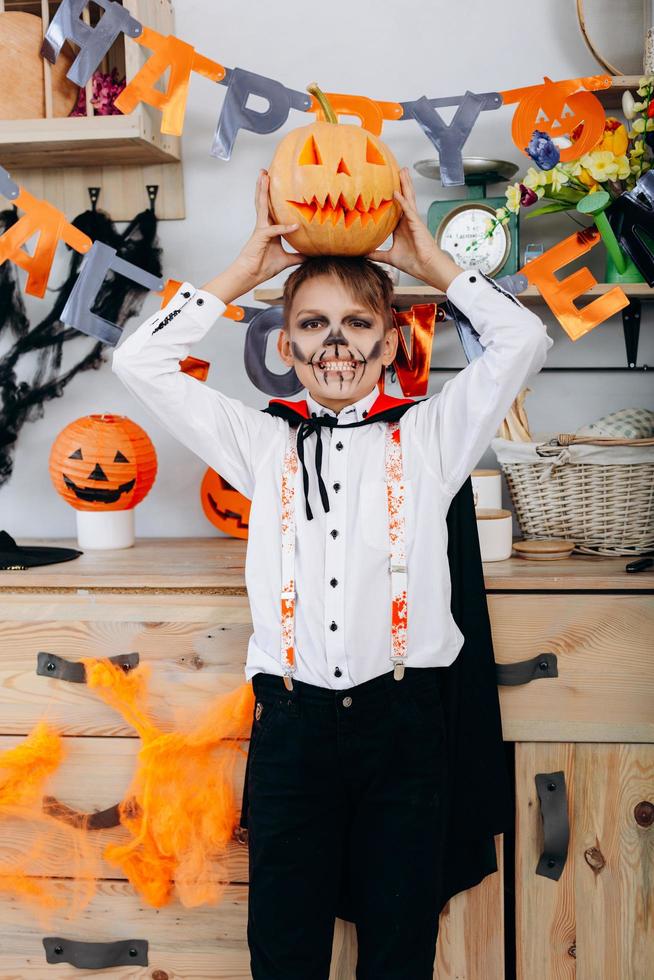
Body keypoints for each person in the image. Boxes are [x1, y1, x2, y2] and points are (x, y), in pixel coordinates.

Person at [112, 165, 553, 979]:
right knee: (284, 949)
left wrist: (429, 263)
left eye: (357, 324)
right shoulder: (261, 444)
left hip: (407, 726)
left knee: (397, 946)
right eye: (313, 325)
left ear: (391, 341)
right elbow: (139, 362)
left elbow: (523, 339)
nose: (337, 343)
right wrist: (250, 266)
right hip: (293, 733)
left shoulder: (432, 439)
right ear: (285, 346)